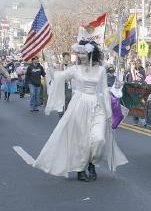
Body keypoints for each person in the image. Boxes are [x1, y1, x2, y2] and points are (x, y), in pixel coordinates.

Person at [33, 41, 128, 181]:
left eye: (83, 53)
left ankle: (92, 163)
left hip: (97, 105)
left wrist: (108, 112)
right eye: (79, 53)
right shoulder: (75, 69)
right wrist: (49, 61)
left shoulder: (101, 70)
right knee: (82, 141)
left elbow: (104, 90)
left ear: (91, 53)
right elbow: (57, 77)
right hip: (79, 105)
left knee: (99, 139)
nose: (80, 55)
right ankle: (80, 169)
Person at [57, 52, 73, 118]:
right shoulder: (60, 64)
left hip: (68, 84)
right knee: (62, 98)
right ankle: (60, 111)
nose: (68, 58)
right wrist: (61, 65)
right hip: (61, 83)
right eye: (66, 57)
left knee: (68, 97)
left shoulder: (70, 64)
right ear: (63, 57)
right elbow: (60, 73)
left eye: (68, 56)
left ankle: (66, 111)